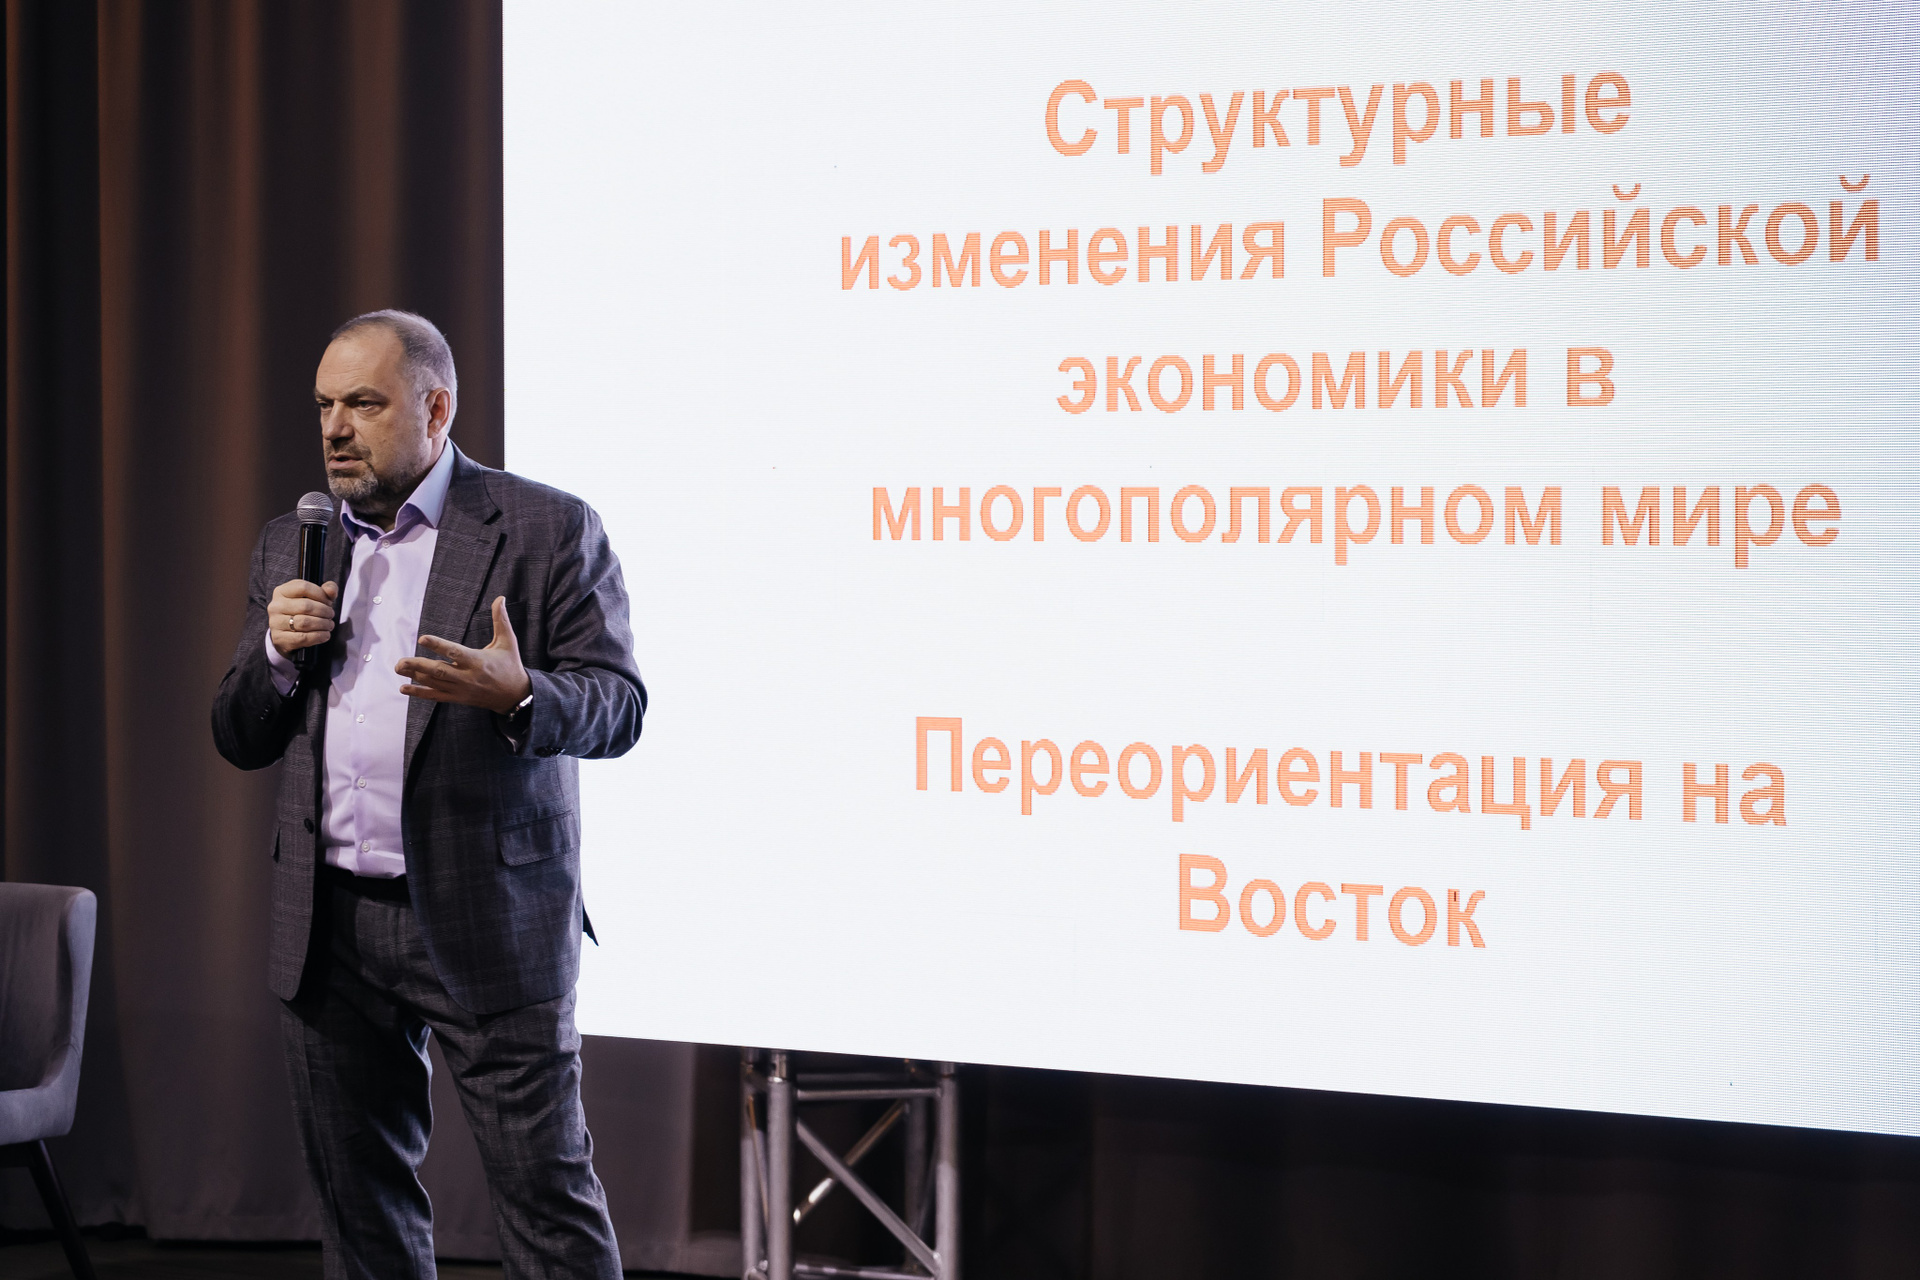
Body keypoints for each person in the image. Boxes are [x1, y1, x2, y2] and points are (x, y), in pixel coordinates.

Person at [211, 310, 644, 1279]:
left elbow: (619, 706)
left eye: (364, 404)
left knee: (546, 1200)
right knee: (360, 1210)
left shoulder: (545, 528)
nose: (335, 428)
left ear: (437, 408)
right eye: (325, 405)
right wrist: (275, 654)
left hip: (489, 915)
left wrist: (520, 693)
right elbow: (238, 734)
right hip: (329, 926)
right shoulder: (292, 542)